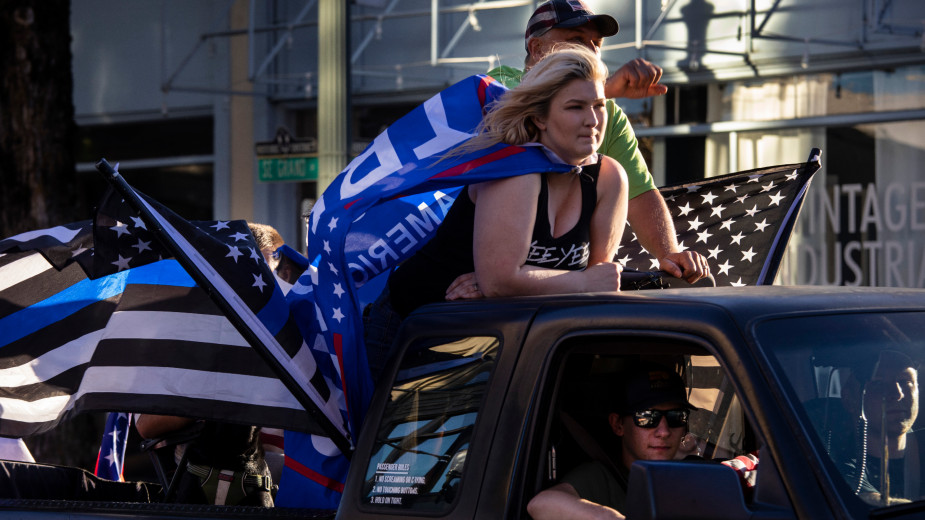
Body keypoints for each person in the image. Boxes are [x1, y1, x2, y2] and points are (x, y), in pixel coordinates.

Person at [366, 44, 627, 382]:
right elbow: (521, 280)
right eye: (575, 107)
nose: (592, 120)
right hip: (411, 324)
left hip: (496, 336)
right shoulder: (516, 170)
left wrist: (516, 282)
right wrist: (524, 282)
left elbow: (596, 287)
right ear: (539, 118)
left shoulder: (609, 178)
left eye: (598, 105)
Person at [487, 0, 709, 284]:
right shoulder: (498, 85)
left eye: (596, 43)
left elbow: (640, 194)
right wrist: (486, 273)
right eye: (577, 41)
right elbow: (519, 119)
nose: (591, 52)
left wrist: (669, 254)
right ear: (536, 48)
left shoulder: (610, 115)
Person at [527, 362, 695, 519]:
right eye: (647, 417)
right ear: (618, 425)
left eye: (676, 417)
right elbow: (540, 504)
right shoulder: (600, 479)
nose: (664, 432)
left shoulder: (694, 476)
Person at [838, 350, 925, 505]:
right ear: (849, 398)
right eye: (878, 383)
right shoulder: (837, 461)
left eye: (905, 382)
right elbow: (864, 500)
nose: (897, 393)